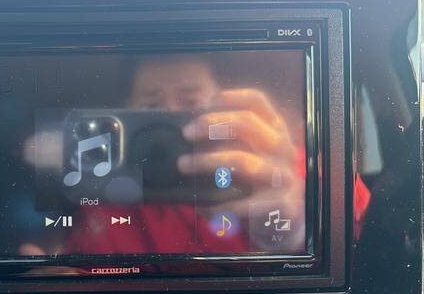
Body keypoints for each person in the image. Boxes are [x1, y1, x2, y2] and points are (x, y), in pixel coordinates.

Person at [22, 53, 306, 256]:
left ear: (226, 105)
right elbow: (94, 291)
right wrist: (60, 290)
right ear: (125, 113)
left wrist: (292, 232)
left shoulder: (277, 167)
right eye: (151, 108)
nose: (169, 115)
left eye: (190, 102)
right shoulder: (104, 199)